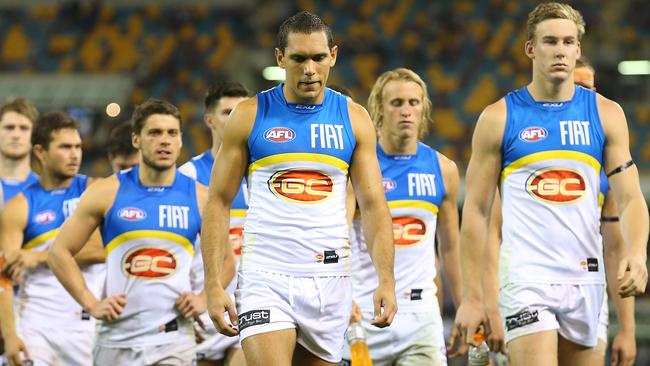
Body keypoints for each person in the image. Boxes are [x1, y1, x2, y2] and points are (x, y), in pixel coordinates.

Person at [454, 3, 648, 365]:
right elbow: (478, 214)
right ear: (531, 48)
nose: (560, 50)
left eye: (568, 42)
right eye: (549, 41)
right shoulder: (498, 118)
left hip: (586, 280)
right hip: (528, 279)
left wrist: (637, 252)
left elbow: (632, 198)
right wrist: (473, 296)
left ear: (578, 49)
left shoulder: (607, 114)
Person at [201, 11, 397, 366]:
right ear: (280, 58)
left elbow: (373, 206)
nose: (310, 68)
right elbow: (217, 201)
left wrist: (386, 278)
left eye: (319, 58)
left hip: (329, 280)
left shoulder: (354, 118)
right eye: (299, 58)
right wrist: (213, 284)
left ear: (333, 56)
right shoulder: (249, 115)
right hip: (266, 276)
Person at [47, 99, 227, 365]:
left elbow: (227, 260)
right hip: (115, 339)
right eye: (154, 133)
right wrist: (91, 303)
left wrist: (203, 298)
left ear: (180, 141)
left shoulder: (200, 197)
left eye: (172, 133)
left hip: (172, 338)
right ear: (136, 139)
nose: (164, 140)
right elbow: (58, 252)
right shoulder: (106, 192)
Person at [482, 57, 638, 366]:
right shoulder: (522, 161)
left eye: (584, 86)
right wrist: (489, 304)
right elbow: (491, 235)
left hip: (587, 286)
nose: (574, 90)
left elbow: (615, 247)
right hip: (528, 282)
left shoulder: (603, 167)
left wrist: (628, 329)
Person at [342, 68, 462, 365]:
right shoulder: (357, 167)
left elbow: (450, 248)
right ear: (379, 110)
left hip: (421, 315)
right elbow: (339, 235)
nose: (406, 111)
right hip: (364, 312)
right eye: (396, 103)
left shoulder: (443, 169)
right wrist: (341, 298)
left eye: (414, 102)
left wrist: (464, 306)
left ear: (424, 109)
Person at [0, 111, 105, 366]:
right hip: (36, 326)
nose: (75, 154)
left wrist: (37, 257)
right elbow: (3, 277)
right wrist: (10, 334)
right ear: (40, 152)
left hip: (88, 324)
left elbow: (103, 250)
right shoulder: (18, 207)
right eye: (65, 147)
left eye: (78, 146)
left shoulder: (97, 190)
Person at [179, 81, 250, 366]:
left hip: (254, 308)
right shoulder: (188, 177)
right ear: (209, 120)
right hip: (205, 312)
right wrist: (197, 298)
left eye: (242, 112)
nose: (236, 120)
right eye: (227, 112)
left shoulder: (267, 172)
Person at [0, 98, 39, 204]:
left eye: (24, 128)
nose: (16, 135)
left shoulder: (46, 189)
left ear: (34, 135)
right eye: (9, 127)